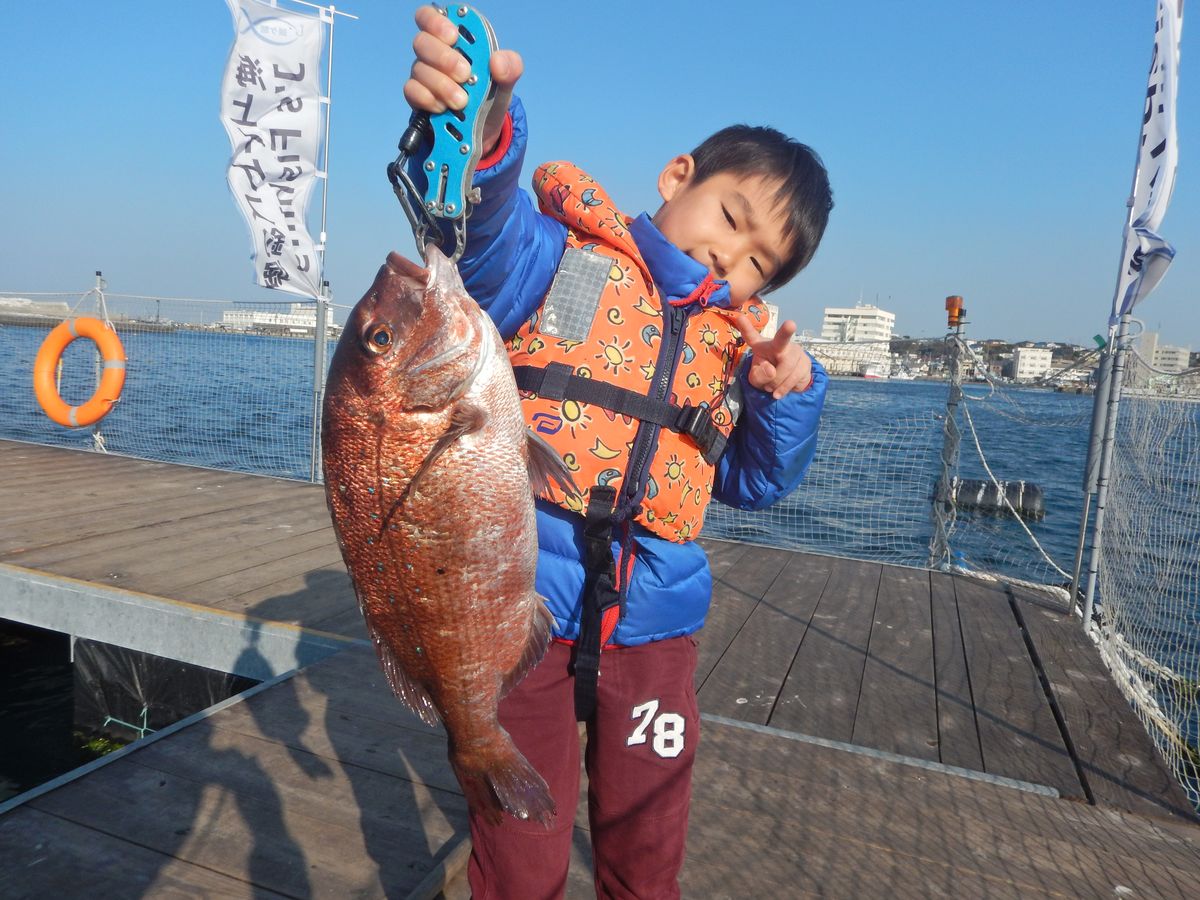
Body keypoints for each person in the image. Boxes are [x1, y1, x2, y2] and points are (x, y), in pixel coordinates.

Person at [402, 6, 832, 898]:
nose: (730, 252)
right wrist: (484, 129)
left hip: (656, 634)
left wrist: (788, 394)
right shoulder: (559, 259)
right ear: (679, 175)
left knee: (646, 852)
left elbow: (756, 479)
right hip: (524, 615)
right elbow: (484, 242)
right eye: (729, 214)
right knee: (522, 853)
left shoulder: (734, 351)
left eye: (760, 262)